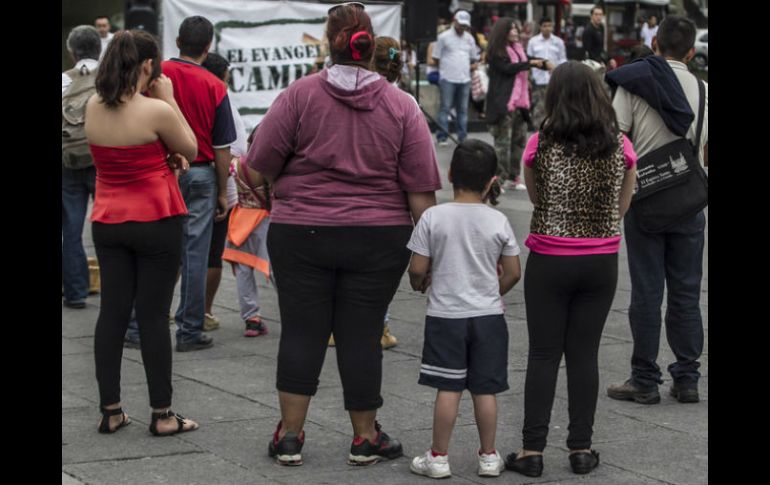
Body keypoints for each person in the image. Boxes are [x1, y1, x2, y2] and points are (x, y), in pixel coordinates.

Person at [246, 2, 441, 467]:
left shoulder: (299, 95)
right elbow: (422, 196)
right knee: (363, 334)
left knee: (300, 331)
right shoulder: (402, 106)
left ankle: (290, 437)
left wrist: (278, 188)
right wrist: (429, 255)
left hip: (301, 232)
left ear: (329, 44)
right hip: (378, 238)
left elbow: (256, 169)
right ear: (370, 45)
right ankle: (364, 437)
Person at [504, 61, 637, 478]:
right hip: (600, 261)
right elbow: (623, 205)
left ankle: (532, 450)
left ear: (555, 96)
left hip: (550, 257)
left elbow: (537, 199)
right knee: (585, 355)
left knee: (544, 353)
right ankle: (581, 447)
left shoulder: (538, 143)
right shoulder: (621, 144)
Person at [85, 29, 200, 437]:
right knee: (152, 317)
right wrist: (168, 98)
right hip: (156, 218)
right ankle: (163, 414)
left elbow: (123, 156)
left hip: (108, 220)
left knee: (112, 314)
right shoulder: (156, 110)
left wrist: (161, 158)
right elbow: (192, 148)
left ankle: (111, 410)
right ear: (149, 66)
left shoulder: (92, 106)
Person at [605, 15, 708, 405]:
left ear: (655, 42)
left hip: (644, 201)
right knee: (686, 291)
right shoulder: (704, 89)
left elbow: (617, 141)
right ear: (691, 52)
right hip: (688, 203)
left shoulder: (633, 82)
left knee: (647, 292)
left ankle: (644, 379)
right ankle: (687, 378)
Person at [407, 140, 521, 479]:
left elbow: (417, 268)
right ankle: (488, 456)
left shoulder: (433, 217)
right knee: (485, 389)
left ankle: (438, 457)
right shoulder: (498, 220)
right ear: (492, 181)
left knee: (449, 387)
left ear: (450, 174)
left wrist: (421, 283)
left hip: (446, 317)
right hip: (488, 317)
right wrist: (490, 291)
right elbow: (513, 272)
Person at [163, 16, 237, 352]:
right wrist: (223, 191)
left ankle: (138, 324)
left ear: (178, 42)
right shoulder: (215, 86)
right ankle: (190, 330)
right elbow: (223, 149)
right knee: (195, 254)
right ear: (208, 49)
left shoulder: (158, 74)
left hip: (163, 171)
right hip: (203, 171)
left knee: (157, 250)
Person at [201, 52, 247, 332]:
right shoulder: (223, 102)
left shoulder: (181, 94)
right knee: (212, 252)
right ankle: (203, 312)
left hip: (183, 180)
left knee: (179, 250)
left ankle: (174, 308)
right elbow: (237, 150)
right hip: (218, 184)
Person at [62, 25, 101, 310]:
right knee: (108, 225)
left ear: (71, 52)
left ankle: (75, 292)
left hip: (68, 162)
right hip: (104, 160)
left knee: (70, 228)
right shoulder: (109, 79)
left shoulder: (62, 81)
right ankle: (113, 285)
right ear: (99, 49)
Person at [221, 129, 271, 338]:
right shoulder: (268, 168)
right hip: (264, 220)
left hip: (241, 217)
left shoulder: (236, 163)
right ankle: (293, 311)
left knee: (243, 269)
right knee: (277, 268)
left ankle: (251, 318)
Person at [484, 18, 542, 192]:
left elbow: (525, 62)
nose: (516, 32)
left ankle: (513, 177)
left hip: (520, 104)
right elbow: (508, 68)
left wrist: (541, 62)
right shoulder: (496, 52)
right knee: (503, 143)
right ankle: (498, 180)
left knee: (519, 141)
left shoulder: (519, 51)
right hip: (504, 104)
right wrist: (529, 63)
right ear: (503, 32)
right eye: (512, 30)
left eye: (517, 29)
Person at [432, 10, 479, 146]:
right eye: (461, 24)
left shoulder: (469, 38)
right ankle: (442, 137)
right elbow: (436, 58)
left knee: (463, 109)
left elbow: (473, 58)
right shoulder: (443, 37)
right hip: (447, 78)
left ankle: (462, 137)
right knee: (445, 108)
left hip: (464, 78)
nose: (463, 27)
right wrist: (446, 68)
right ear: (455, 21)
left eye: (465, 25)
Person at [526, 17, 567, 132]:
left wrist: (557, 69)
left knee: (555, 108)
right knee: (539, 110)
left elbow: (563, 59)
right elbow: (528, 61)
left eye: (549, 26)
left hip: (554, 81)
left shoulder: (558, 42)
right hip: (538, 81)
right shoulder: (533, 42)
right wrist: (528, 79)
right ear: (540, 27)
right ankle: (538, 135)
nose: (547, 28)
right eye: (545, 26)